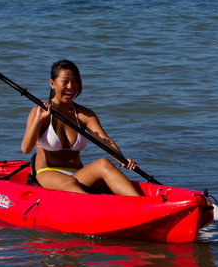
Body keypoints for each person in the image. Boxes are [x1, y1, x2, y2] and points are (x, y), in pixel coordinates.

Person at [21, 59, 142, 196]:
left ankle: (141, 205)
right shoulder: (39, 112)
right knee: (70, 183)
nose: (71, 87)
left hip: (77, 175)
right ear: (52, 83)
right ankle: (97, 208)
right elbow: (26, 149)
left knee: (103, 163)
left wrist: (122, 160)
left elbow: (104, 140)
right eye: (65, 81)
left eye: (75, 81)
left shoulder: (85, 114)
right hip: (47, 174)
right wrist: (38, 120)